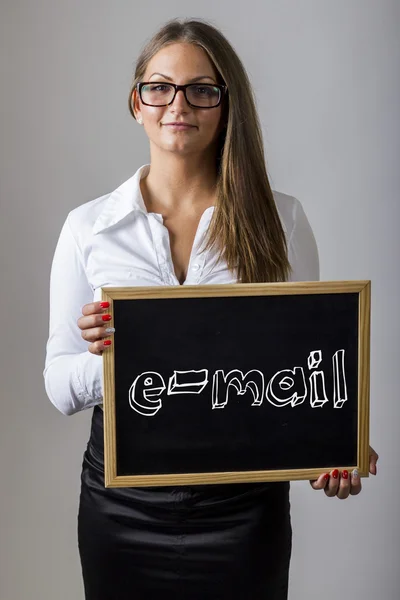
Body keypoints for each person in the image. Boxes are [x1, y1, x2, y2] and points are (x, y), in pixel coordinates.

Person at [44, 17, 378, 600]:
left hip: (244, 510)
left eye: (202, 89)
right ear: (136, 103)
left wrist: (334, 446)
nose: (179, 104)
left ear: (227, 105)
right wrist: (111, 359)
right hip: (119, 507)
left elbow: (306, 375)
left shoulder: (282, 219)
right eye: (160, 87)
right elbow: (57, 382)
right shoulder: (87, 228)